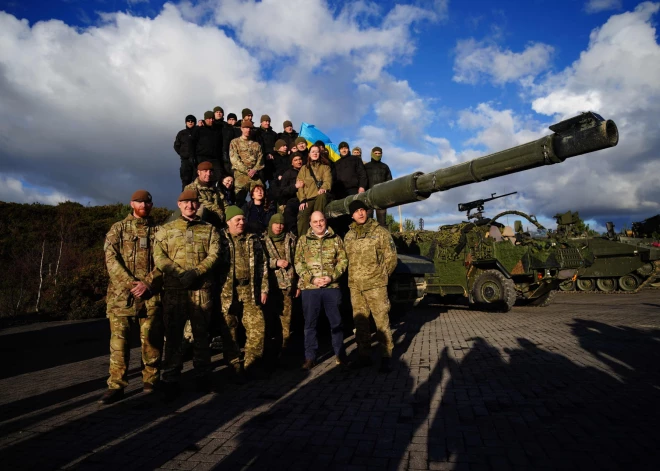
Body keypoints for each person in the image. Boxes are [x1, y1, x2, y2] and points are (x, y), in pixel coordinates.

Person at [153, 190, 220, 397]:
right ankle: (171, 377)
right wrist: (181, 274)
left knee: (201, 335)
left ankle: (202, 376)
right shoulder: (166, 230)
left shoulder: (209, 229)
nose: (190, 206)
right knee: (173, 336)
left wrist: (196, 272)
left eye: (193, 202)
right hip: (175, 291)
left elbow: (215, 254)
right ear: (179, 204)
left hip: (201, 290)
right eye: (186, 203)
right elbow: (159, 257)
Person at [98, 190, 163, 405]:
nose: (143, 205)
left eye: (147, 202)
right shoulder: (118, 228)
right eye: (139, 201)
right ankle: (116, 386)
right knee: (119, 344)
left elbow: (166, 260)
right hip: (121, 297)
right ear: (131, 204)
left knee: (151, 342)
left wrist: (147, 283)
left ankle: (151, 382)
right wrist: (130, 283)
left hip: (150, 295)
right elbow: (110, 258)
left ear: (151, 205)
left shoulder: (160, 231)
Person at [343, 200, 397, 373]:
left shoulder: (379, 232)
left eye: (363, 210)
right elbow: (345, 260)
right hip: (356, 287)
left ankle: (386, 356)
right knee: (360, 323)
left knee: (381, 322)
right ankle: (364, 355)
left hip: (376, 285)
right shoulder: (349, 236)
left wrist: (382, 276)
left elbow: (391, 257)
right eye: (357, 211)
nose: (360, 213)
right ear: (351, 215)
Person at [217, 206, 269, 379]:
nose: (241, 222)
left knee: (257, 327)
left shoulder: (252, 239)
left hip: (250, 290)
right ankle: (233, 365)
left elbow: (263, 265)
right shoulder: (219, 239)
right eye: (237, 220)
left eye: (243, 219)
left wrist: (264, 288)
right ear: (228, 221)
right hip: (227, 291)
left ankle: (251, 363)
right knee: (229, 329)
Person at [294, 211, 348, 369]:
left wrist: (332, 277)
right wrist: (311, 279)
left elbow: (343, 261)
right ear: (310, 223)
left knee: (336, 323)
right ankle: (310, 357)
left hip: (331, 287)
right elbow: (298, 262)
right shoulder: (303, 240)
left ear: (325, 221)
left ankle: (340, 355)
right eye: (315, 221)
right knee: (310, 324)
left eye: (321, 221)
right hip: (310, 288)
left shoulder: (336, 239)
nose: (318, 224)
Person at [263, 213, 299, 352]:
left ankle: (284, 350)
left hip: (287, 286)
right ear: (271, 224)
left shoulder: (291, 239)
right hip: (270, 287)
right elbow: (259, 261)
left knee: (286, 321)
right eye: (276, 223)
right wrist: (275, 262)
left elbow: (297, 261)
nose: (279, 226)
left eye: (281, 223)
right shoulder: (263, 240)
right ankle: (270, 351)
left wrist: (297, 284)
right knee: (270, 321)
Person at [296, 144, 332, 236]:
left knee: (321, 198)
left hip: (320, 197)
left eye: (317, 152)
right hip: (308, 198)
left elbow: (328, 181)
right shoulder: (304, 169)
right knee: (303, 216)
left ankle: (318, 232)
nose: (315, 153)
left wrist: (324, 188)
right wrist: (302, 200)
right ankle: (302, 240)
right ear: (309, 154)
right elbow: (300, 186)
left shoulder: (325, 167)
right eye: (313, 151)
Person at [230, 119, 264, 206]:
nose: (248, 130)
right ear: (241, 128)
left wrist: (255, 169)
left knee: (260, 194)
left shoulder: (256, 144)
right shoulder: (235, 142)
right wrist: (246, 171)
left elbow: (260, 159)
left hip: (254, 175)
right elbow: (234, 159)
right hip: (241, 174)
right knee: (239, 198)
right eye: (246, 128)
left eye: (250, 128)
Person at [184, 161, 226, 228]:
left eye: (210, 171)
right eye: (205, 171)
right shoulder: (191, 188)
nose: (208, 174)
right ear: (199, 172)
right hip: (204, 217)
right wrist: (217, 209)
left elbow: (224, 202)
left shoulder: (215, 189)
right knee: (201, 209)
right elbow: (199, 203)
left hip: (218, 217)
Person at [274, 152, 304, 232]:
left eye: (300, 159)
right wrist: (295, 186)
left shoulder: (306, 171)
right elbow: (282, 191)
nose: (298, 161)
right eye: (296, 160)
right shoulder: (288, 174)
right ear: (292, 163)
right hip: (293, 199)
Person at [364, 146, 393, 227]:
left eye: (379, 153)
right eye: (375, 153)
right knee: (368, 222)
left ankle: (383, 239)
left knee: (382, 222)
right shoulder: (366, 166)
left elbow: (389, 182)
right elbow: (363, 180)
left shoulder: (385, 167)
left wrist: (388, 196)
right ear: (372, 154)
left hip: (381, 197)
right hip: (368, 196)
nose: (377, 155)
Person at [189, 111, 223, 179]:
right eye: (209, 118)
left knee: (219, 175)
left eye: (213, 118)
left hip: (214, 158)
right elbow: (192, 144)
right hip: (202, 157)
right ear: (205, 119)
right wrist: (192, 157)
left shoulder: (217, 130)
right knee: (201, 177)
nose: (211, 120)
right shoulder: (198, 129)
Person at [173, 115, 197, 190]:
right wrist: (183, 154)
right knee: (186, 181)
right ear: (186, 122)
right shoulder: (181, 133)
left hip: (196, 161)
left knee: (196, 181)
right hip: (185, 161)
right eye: (188, 121)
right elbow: (176, 145)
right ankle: (185, 200)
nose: (190, 122)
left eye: (192, 121)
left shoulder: (198, 132)